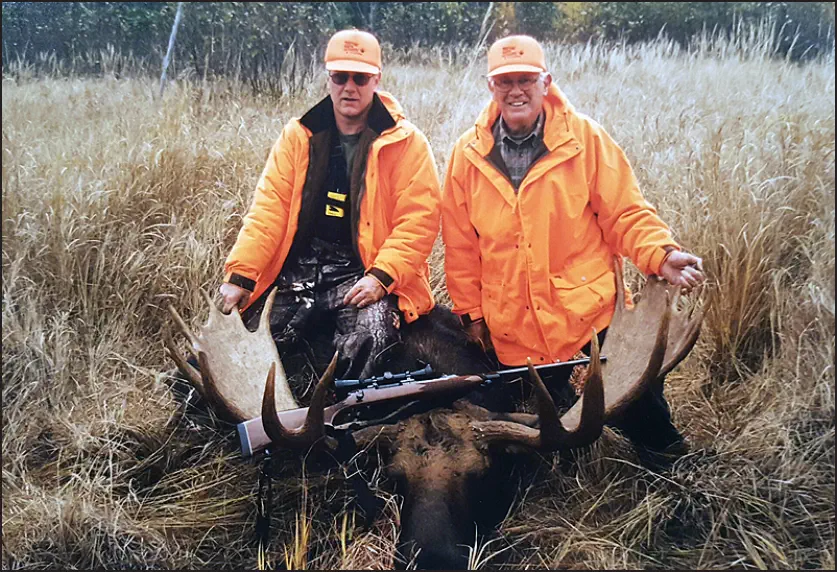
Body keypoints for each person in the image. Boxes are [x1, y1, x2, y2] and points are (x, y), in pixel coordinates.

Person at [441, 35, 705, 470]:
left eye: (526, 79)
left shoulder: (586, 140)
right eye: (505, 81)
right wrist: (471, 314)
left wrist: (660, 254)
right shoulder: (466, 156)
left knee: (641, 406)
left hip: (585, 312)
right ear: (491, 87)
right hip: (515, 325)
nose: (515, 91)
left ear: (546, 82)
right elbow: (461, 246)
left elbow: (625, 214)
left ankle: (672, 468)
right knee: (511, 430)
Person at [220, 29, 441, 380]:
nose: (349, 87)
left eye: (360, 78)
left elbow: (418, 221)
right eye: (340, 77)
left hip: (362, 271)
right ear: (328, 78)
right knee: (246, 343)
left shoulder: (407, 143)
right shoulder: (299, 135)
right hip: (301, 270)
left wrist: (381, 278)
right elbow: (268, 211)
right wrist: (241, 277)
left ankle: (348, 406)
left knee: (374, 337)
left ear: (376, 80)